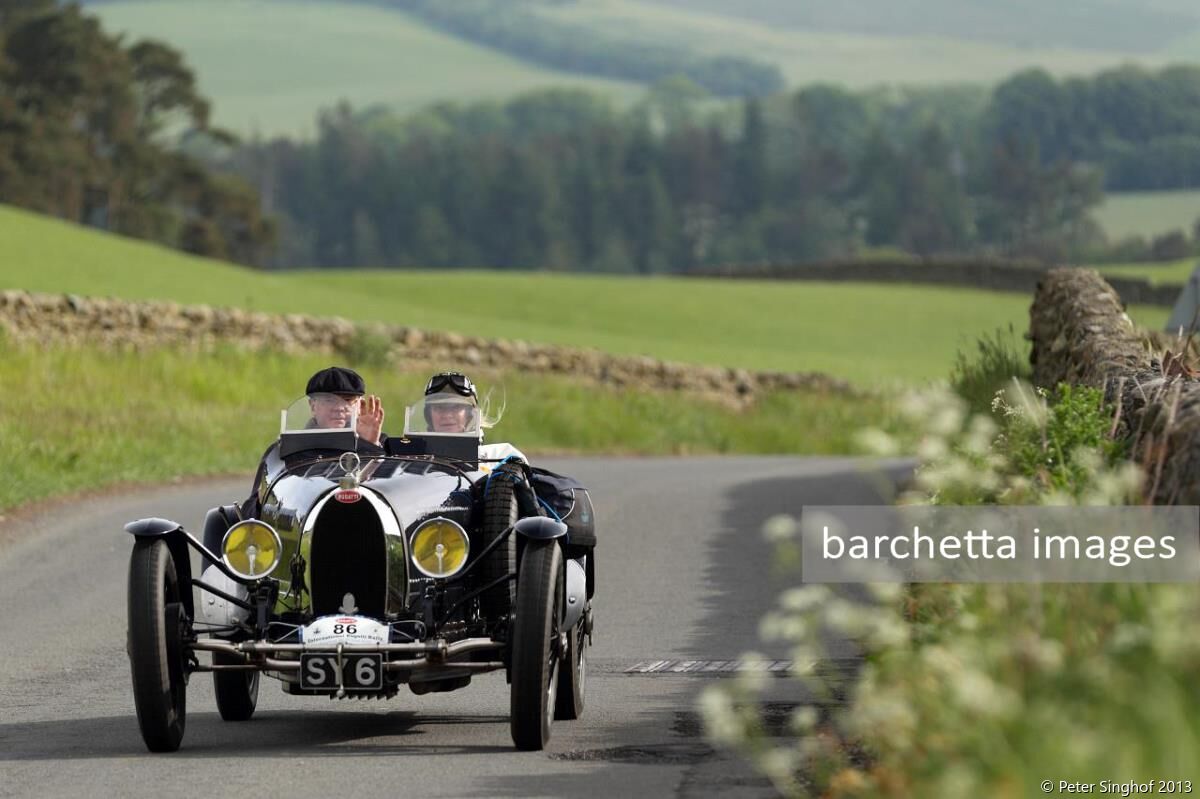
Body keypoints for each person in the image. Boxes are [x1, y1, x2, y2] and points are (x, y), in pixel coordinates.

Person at [239, 366, 384, 519]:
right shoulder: (286, 449)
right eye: (330, 400)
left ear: (359, 406)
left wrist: (369, 446)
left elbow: (388, 496)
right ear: (313, 406)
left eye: (348, 401)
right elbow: (250, 513)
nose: (340, 408)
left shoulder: (380, 445)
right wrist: (265, 500)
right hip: (305, 525)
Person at [420, 371, 528, 464]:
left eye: (456, 407)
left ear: (470, 414)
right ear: (428, 415)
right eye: (440, 407)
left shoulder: (501, 457)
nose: (447, 415)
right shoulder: (411, 459)